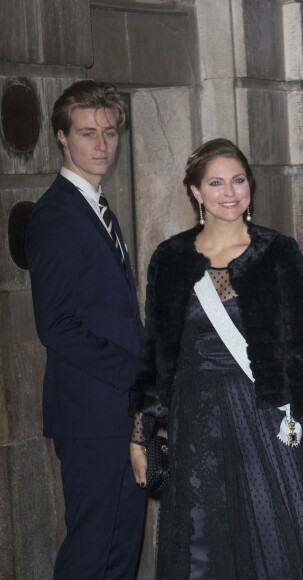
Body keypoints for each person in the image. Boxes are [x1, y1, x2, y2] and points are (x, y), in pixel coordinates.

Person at [128, 138, 303, 579]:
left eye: (238, 180)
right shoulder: (170, 257)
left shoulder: (277, 251)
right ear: (196, 192)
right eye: (216, 182)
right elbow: (154, 354)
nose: (230, 191)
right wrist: (139, 435)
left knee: (273, 537)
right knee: (204, 541)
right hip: (195, 420)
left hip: (263, 418)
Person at [25, 80, 146, 579]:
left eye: (110, 133)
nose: (101, 146)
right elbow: (56, 326)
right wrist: (136, 371)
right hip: (90, 413)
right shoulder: (55, 215)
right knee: (92, 547)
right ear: (61, 137)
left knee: (122, 549)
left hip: (118, 409)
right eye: (87, 133)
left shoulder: (97, 209)